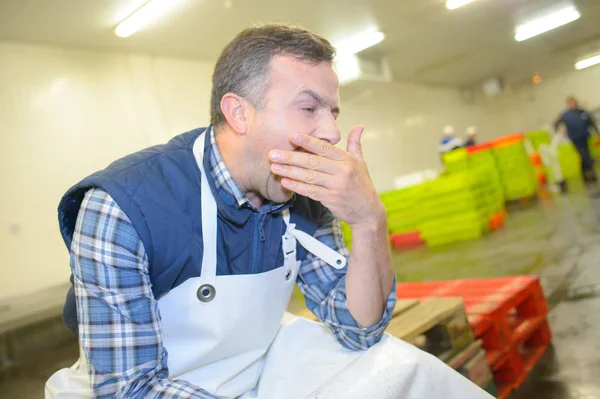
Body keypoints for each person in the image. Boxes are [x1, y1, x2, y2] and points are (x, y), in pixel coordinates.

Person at [45, 24, 493, 399]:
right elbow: (131, 388)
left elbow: (358, 330)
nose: (332, 132)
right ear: (239, 113)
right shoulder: (122, 208)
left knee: (403, 368)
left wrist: (369, 221)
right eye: (308, 108)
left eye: (333, 112)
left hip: (251, 369)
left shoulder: (303, 192)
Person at [554, 96, 599, 184]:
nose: (572, 104)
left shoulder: (582, 112)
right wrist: (560, 132)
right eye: (570, 103)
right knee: (585, 156)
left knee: (584, 156)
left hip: (584, 137)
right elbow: (556, 124)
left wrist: (597, 133)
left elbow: (591, 122)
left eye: (573, 102)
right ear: (568, 104)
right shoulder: (565, 115)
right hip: (575, 139)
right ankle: (592, 174)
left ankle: (584, 176)